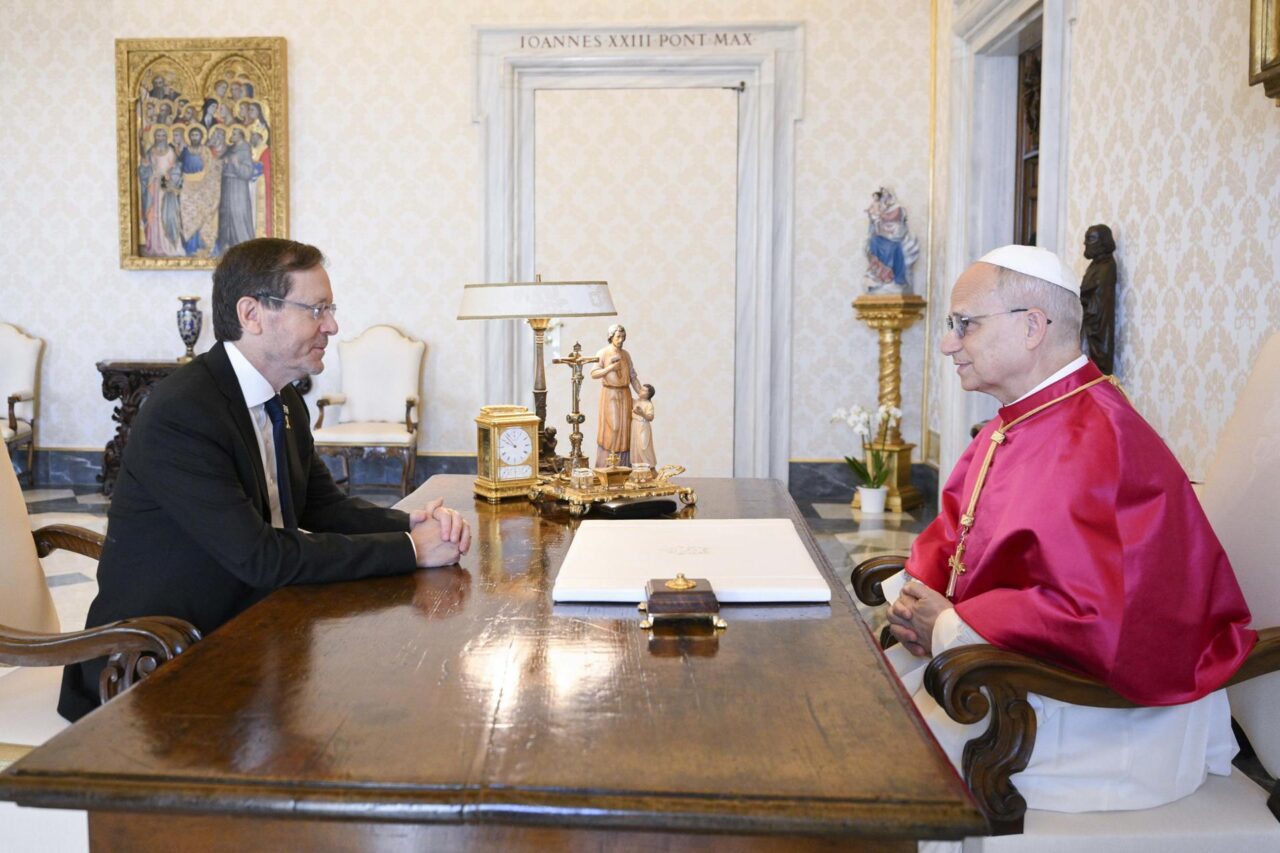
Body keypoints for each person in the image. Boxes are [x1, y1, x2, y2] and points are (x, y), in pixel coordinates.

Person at [884, 244, 1255, 814]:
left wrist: (950, 624)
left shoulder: (1097, 437)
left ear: (1033, 326)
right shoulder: (1018, 420)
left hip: (1105, 719)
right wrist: (917, 601)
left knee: (882, 762)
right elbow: (957, 534)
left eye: (964, 325)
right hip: (1006, 666)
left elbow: (1100, 617)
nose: (947, 342)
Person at [59, 238, 471, 721]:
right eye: (317, 308)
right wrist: (413, 551)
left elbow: (326, 507)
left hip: (253, 630)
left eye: (330, 308)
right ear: (252, 314)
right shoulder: (183, 412)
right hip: (157, 663)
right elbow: (262, 558)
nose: (333, 325)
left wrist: (412, 525)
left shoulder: (285, 400)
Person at [590, 324, 643, 467]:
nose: (621, 340)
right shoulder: (603, 353)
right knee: (613, 428)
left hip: (625, 393)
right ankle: (607, 465)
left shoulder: (626, 354)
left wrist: (642, 394)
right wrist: (610, 368)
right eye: (618, 337)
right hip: (610, 393)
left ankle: (623, 466)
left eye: (623, 337)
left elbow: (633, 376)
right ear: (611, 337)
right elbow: (594, 373)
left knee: (625, 429)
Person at [630, 383, 656, 467]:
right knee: (635, 447)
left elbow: (650, 417)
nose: (641, 391)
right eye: (641, 389)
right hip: (634, 425)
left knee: (644, 446)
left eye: (644, 390)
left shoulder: (648, 404)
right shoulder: (635, 401)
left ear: (648, 394)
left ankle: (649, 466)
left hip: (643, 426)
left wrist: (642, 414)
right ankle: (637, 467)